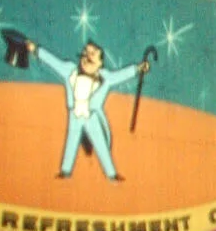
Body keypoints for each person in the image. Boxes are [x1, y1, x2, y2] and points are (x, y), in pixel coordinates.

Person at [27, 38, 151, 181]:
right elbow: (53, 62)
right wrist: (36, 50)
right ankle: (65, 170)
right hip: (75, 113)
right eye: (86, 53)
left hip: (91, 115)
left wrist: (138, 69)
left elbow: (121, 75)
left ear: (100, 62)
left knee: (100, 143)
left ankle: (111, 174)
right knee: (71, 140)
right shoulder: (69, 71)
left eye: (92, 54)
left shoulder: (106, 78)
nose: (87, 57)